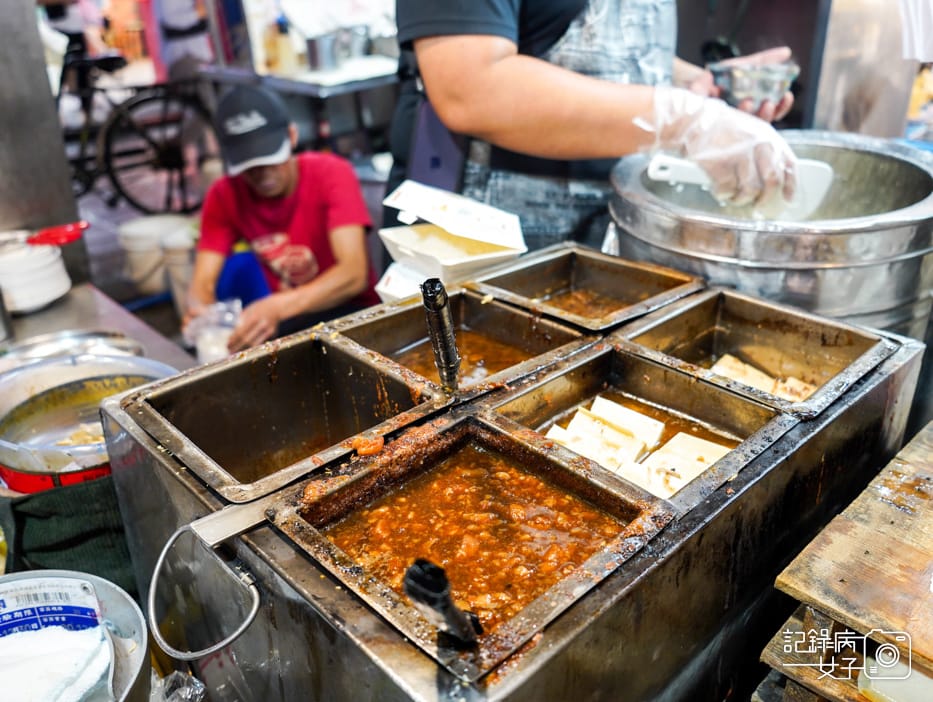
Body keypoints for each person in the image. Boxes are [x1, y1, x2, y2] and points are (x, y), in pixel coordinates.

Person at [388, 0, 797, 251]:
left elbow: (594, 51)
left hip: (608, 231)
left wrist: (696, 88)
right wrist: (686, 118)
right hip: (487, 246)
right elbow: (471, 89)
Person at [185, 84, 380, 352]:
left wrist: (278, 306)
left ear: (291, 136)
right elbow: (202, 284)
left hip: (353, 316)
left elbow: (353, 274)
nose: (263, 175)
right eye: (250, 167)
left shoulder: (331, 173)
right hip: (294, 323)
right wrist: (205, 319)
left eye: (270, 159)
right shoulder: (226, 194)